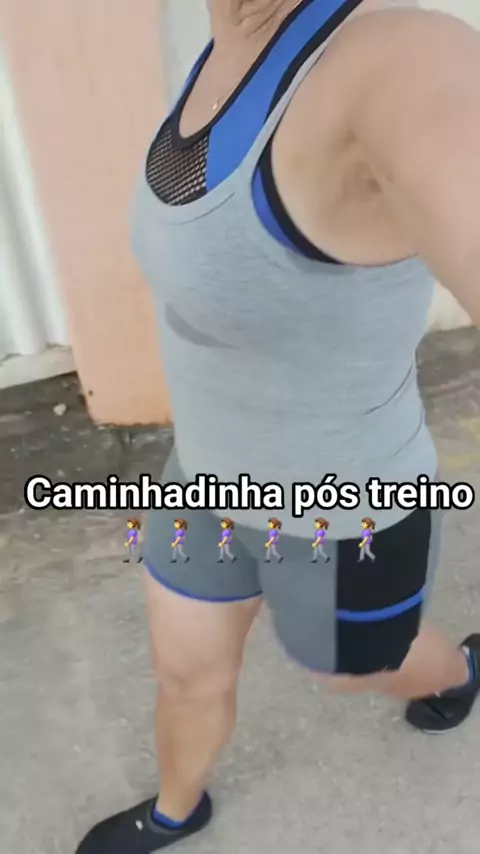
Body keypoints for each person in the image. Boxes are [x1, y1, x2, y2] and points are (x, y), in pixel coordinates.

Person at [76, 1, 480, 851]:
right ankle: (177, 808)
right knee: (185, 673)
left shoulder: (394, 59)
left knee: (358, 667)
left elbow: (445, 118)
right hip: (204, 478)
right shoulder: (225, 39)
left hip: (346, 513)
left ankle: (459, 672)